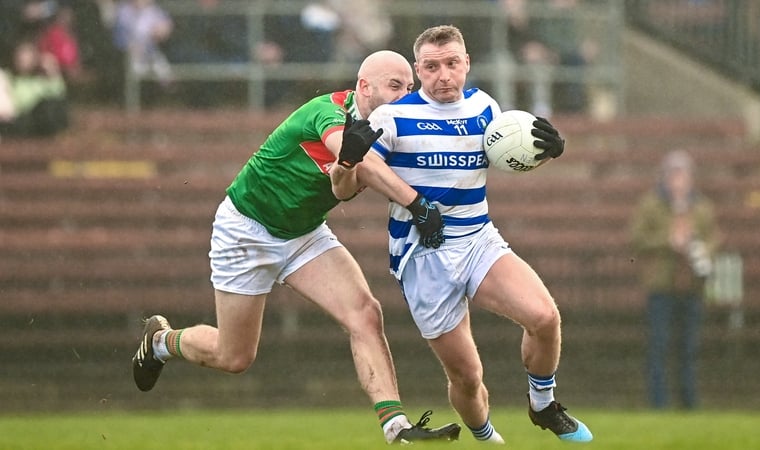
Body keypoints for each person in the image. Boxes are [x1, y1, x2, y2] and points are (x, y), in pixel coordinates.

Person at [131, 50, 461, 445]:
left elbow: (344, 184)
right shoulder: (327, 112)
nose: (405, 95)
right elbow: (349, 154)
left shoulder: (389, 131)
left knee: (365, 313)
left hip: (303, 234)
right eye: (395, 86)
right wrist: (415, 204)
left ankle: (397, 428)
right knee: (234, 357)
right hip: (246, 232)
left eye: (408, 88)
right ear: (363, 87)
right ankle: (160, 341)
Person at [333, 25, 593, 444]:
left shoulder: (484, 108)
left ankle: (543, 405)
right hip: (423, 259)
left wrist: (547, 152)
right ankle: (487, 438)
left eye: (452, 64)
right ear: (419, 71)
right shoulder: (393, 117)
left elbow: (513, 157)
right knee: (468, 378)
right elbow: (344, 190)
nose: (444, 76)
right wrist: (345, 163)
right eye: (432, 67)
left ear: (466, 63)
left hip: (477, 241)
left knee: (544, 317)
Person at [630, 149, 719, 409]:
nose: (678, 181)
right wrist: (668, 241)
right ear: (665, 178)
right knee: (659, 346)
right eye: (673, 175)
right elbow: (637, 238)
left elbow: (713, 238)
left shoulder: (701, 207)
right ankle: (658, 403)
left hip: (692, 285)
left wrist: (701, 248)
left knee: (689, 347)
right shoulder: (650, 205)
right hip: (661, 285)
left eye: (683, 175)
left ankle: (689, 402)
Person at [0, 38, 69, 137]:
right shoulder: (9, 78)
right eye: (20, 57)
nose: (23, 61)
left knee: (49, 106)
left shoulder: (41, 80)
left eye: (26, 57)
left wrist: (52, 71)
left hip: (38, 118)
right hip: (17, 118)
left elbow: (59, 92)